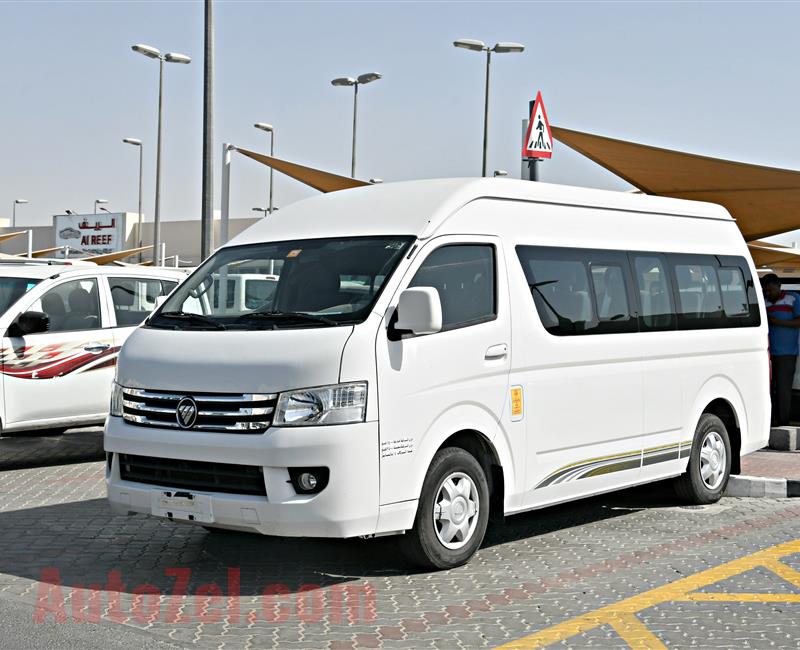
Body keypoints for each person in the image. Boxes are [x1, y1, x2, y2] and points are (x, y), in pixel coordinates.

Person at [761, 273, 800, 425]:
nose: (768, 293)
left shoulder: (793, 298)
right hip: (767, 353)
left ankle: (783, 423)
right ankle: (769, 422)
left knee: (783, 391)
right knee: (768, 390)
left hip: (787, 353)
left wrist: (778, 322)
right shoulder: (764, 301)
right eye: (766, 291)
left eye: (770, 290)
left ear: (779, 286)